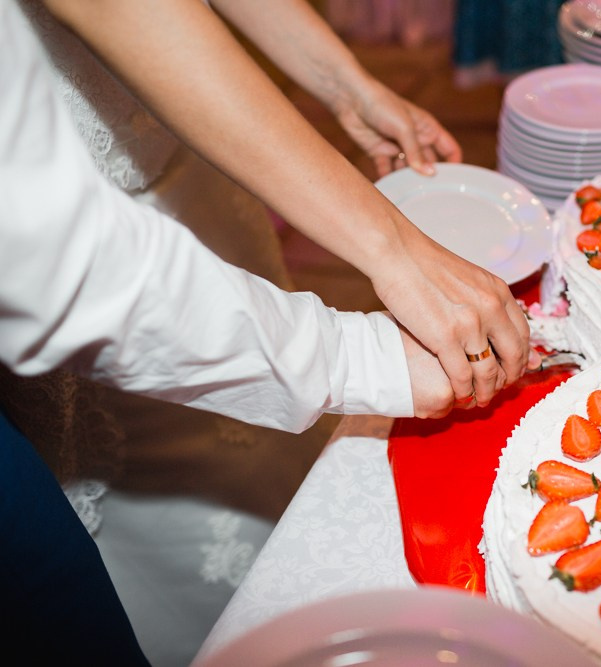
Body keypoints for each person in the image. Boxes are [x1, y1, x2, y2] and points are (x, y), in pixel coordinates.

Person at [6, 0, 535, 662]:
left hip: (195, 165)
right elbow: (65, 266)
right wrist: (383, 292)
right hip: (115, 287)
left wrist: (342, 80)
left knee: (290, 500)